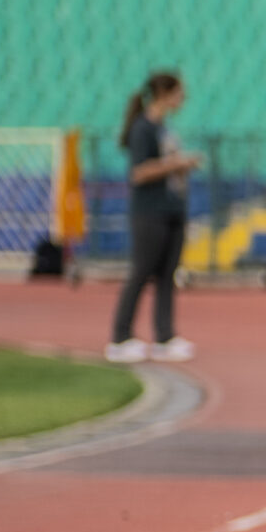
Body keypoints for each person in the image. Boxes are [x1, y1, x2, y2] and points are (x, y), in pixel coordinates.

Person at [106, 70, 201, 364]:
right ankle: (120, 337)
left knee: (167, 276)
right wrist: (174, 164)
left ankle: (165, 336)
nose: (183, 98)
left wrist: (179, 167)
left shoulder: (163, 128)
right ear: (165, 94)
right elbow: (140, 172)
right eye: (179, 92)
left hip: (172, 207)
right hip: (150, 212)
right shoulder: (142, 129)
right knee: (141, 271)